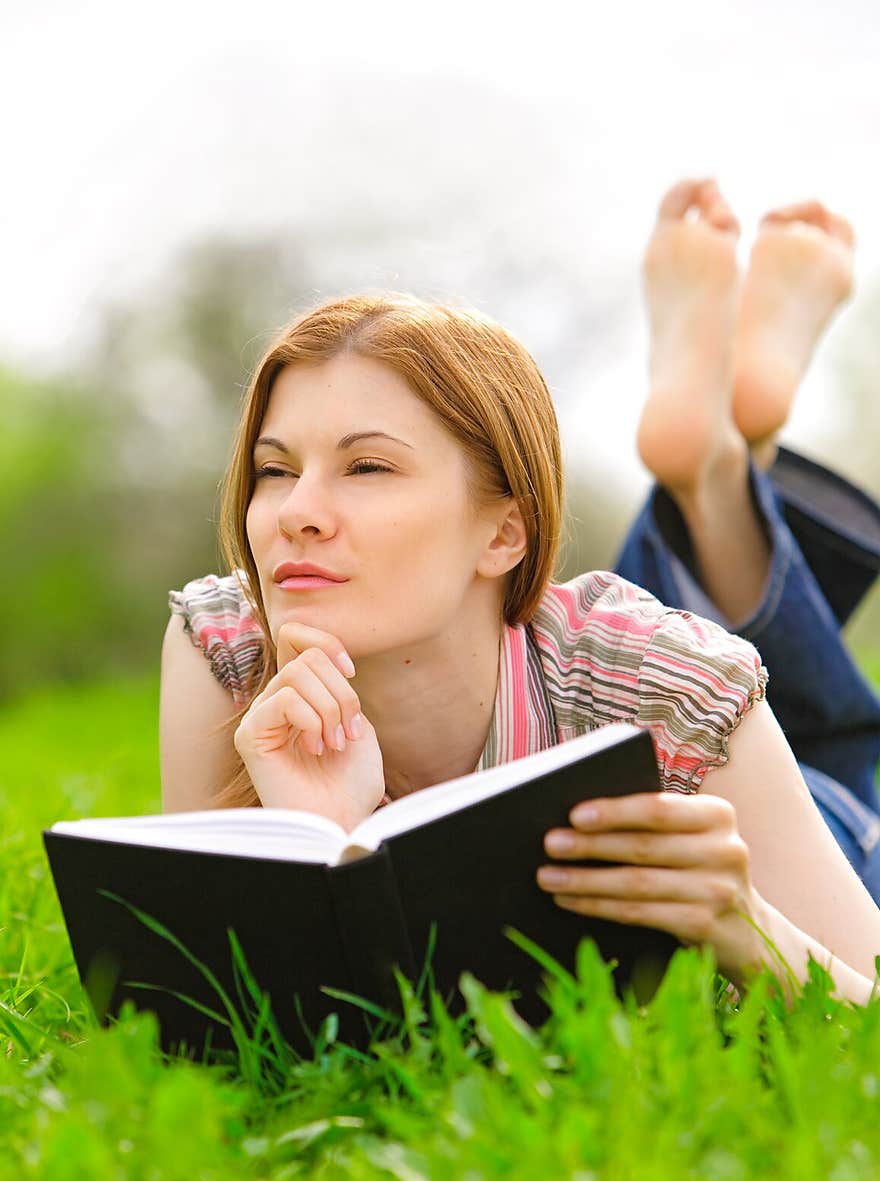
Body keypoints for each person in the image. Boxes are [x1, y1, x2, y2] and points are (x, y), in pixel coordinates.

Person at [159, 178, 880, 1008]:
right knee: (605, 658)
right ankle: (723, 462)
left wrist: (747, 922)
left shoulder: (671, 683)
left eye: (367, 467)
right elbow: (213, 1007)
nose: (296, 514)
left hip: (782, 819)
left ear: (506, 532)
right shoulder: (227, 649)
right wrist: (328, 846)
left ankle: (722, 467)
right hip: (571, 658)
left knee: (818, 748)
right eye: (274, 469)